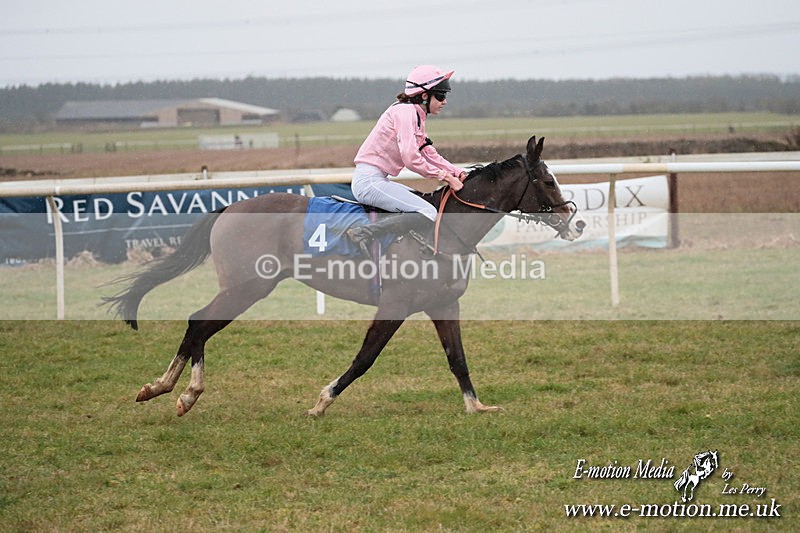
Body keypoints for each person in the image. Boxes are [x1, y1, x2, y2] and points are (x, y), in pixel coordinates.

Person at [346, 65, 467, 258]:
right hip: (369, 182)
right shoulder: (406, 112)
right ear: (425, 95)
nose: (444, 101)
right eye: (441, 95)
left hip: (377, 180)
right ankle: (364, 233)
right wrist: (446, 177)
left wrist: (457, 172)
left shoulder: (416, 114)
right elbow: (411, 158)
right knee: (428, 212)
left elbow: (427, 152)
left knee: (424, 202)